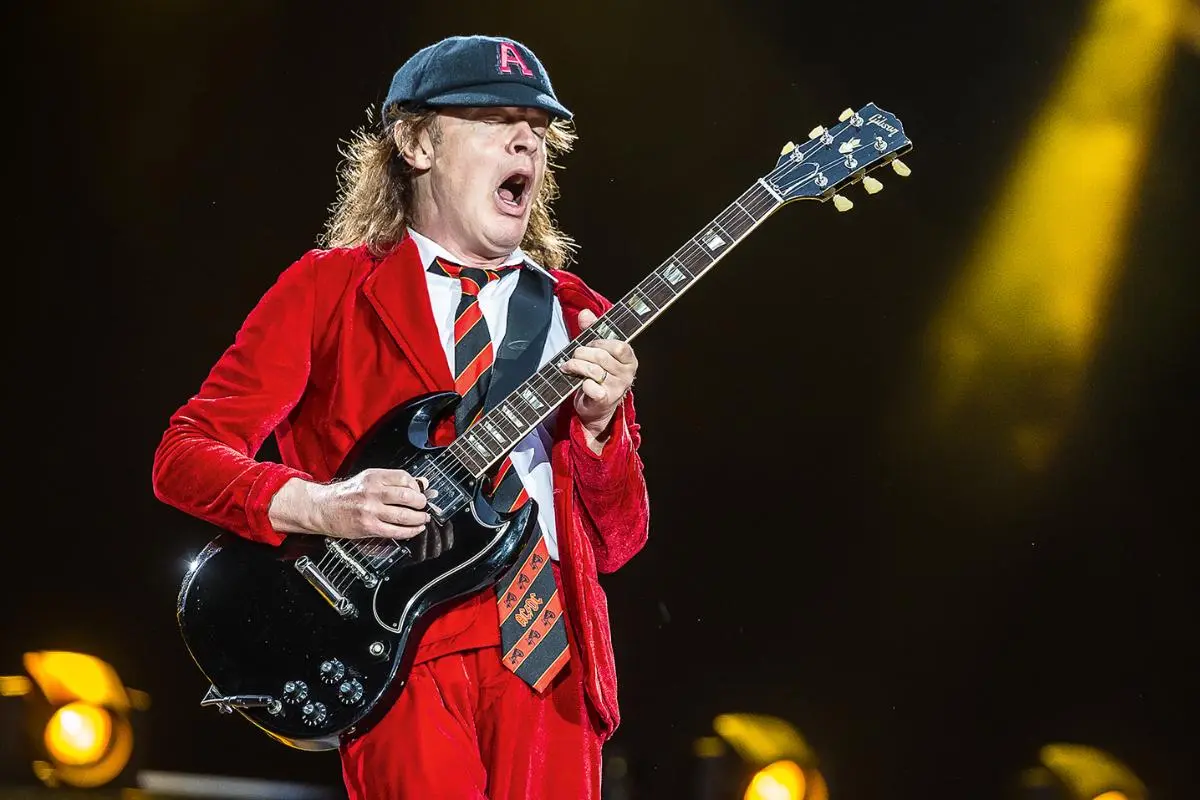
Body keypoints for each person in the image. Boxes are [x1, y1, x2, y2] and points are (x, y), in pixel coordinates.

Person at [151, 34, 649, 799]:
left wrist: (596, 430)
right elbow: (185, 455)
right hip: (397, 647)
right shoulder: (328, 290)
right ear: (416, 141)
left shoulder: (578, 314)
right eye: (493, 119)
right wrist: (321, 504)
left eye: (538, 129)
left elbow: (619, 541)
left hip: (551, 658)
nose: (526, 139)